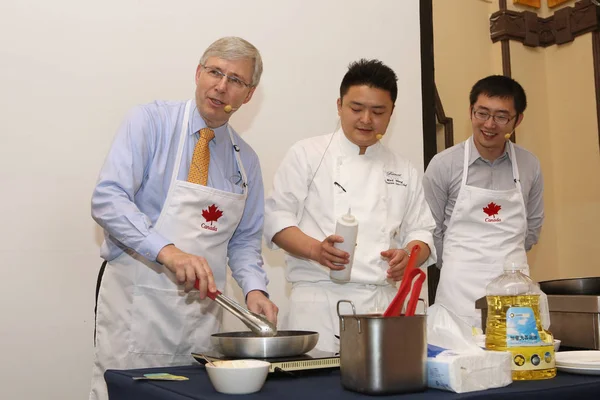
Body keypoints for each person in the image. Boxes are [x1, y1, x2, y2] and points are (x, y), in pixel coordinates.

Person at [89, 36, 278, 400]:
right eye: (215, 72)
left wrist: (255, 289)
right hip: (137, 309)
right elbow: (108, 200)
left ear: (249, 94)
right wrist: (168, 252)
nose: (221, 87)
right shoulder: (150, 122)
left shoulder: (246, 161)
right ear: (198, 72)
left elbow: (242, 241)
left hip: (201, 321)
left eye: (236, 80)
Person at [263, 59, 436, 352]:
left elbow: (423, 232)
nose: (366, 120)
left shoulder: (402, 169)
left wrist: (409, 255)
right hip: (319, 307)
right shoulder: (307, 154)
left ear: (391, 113)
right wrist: (316, 250)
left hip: (383, 308)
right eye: (356, 109)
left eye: (378, 111)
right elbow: (277, 221)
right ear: (339, 105)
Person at [423, 75, 544, 329]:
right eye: (482, 113)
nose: (490, 124)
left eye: (501, 116)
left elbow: (531, 228)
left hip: (515, 294)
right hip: (458, 294)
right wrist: (460, 264)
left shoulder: (529, 165)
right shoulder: (444, 164)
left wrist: (506, 262)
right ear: (470, 111)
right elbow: (431, 229)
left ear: (517, 120)